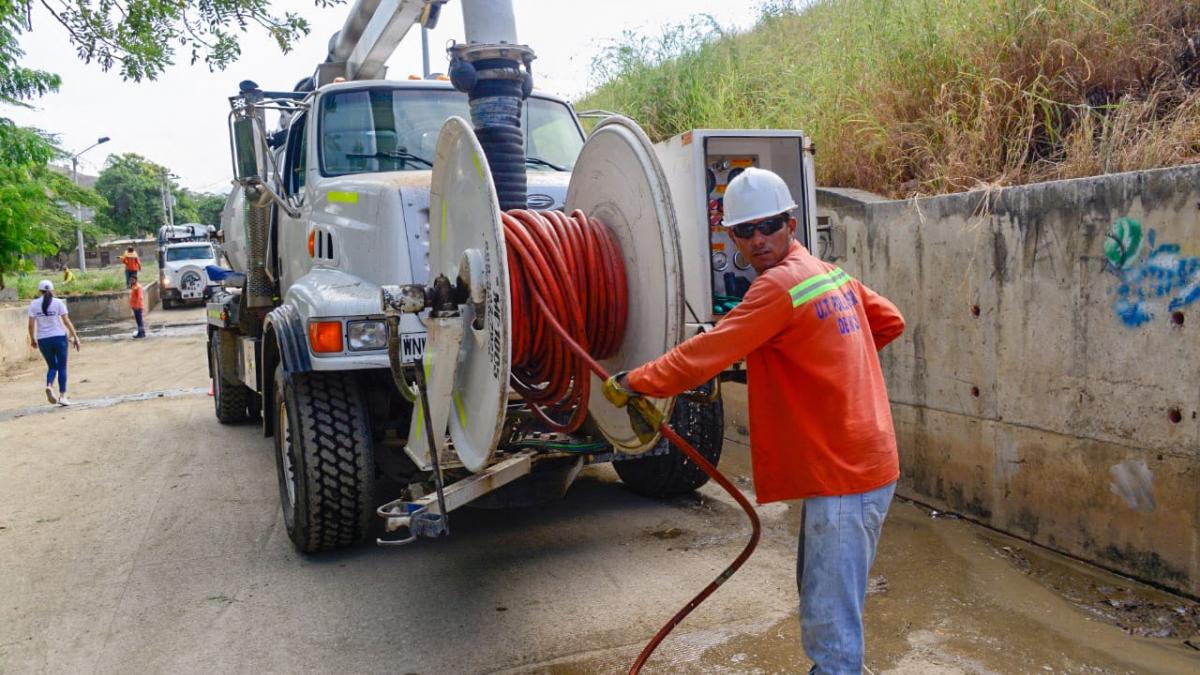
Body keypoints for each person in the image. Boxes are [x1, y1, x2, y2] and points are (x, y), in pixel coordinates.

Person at [604, 167, 906, 674]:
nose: (758, 239)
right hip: (865, 466)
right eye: (745, 231)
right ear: (732, 236)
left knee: (830, 627)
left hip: (844, 475)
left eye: (769, 226)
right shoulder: (829, 274)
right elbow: (890, 320)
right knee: (825, 600)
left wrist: (634, 382)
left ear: (791, 223)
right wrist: (828, 363)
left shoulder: (779, 288)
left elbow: (703, 355)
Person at [27, 280, 81, 406]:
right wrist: (75, 336)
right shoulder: (58, 302)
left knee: (52, 367)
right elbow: (66, 321)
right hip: (59, 338)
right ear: (52, 290)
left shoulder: (34, 304)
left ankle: (49, 386)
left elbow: (30, 325)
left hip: (43, 340)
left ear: (39, 291)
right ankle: (62, 396)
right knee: (62, 367)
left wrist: (33, 339)